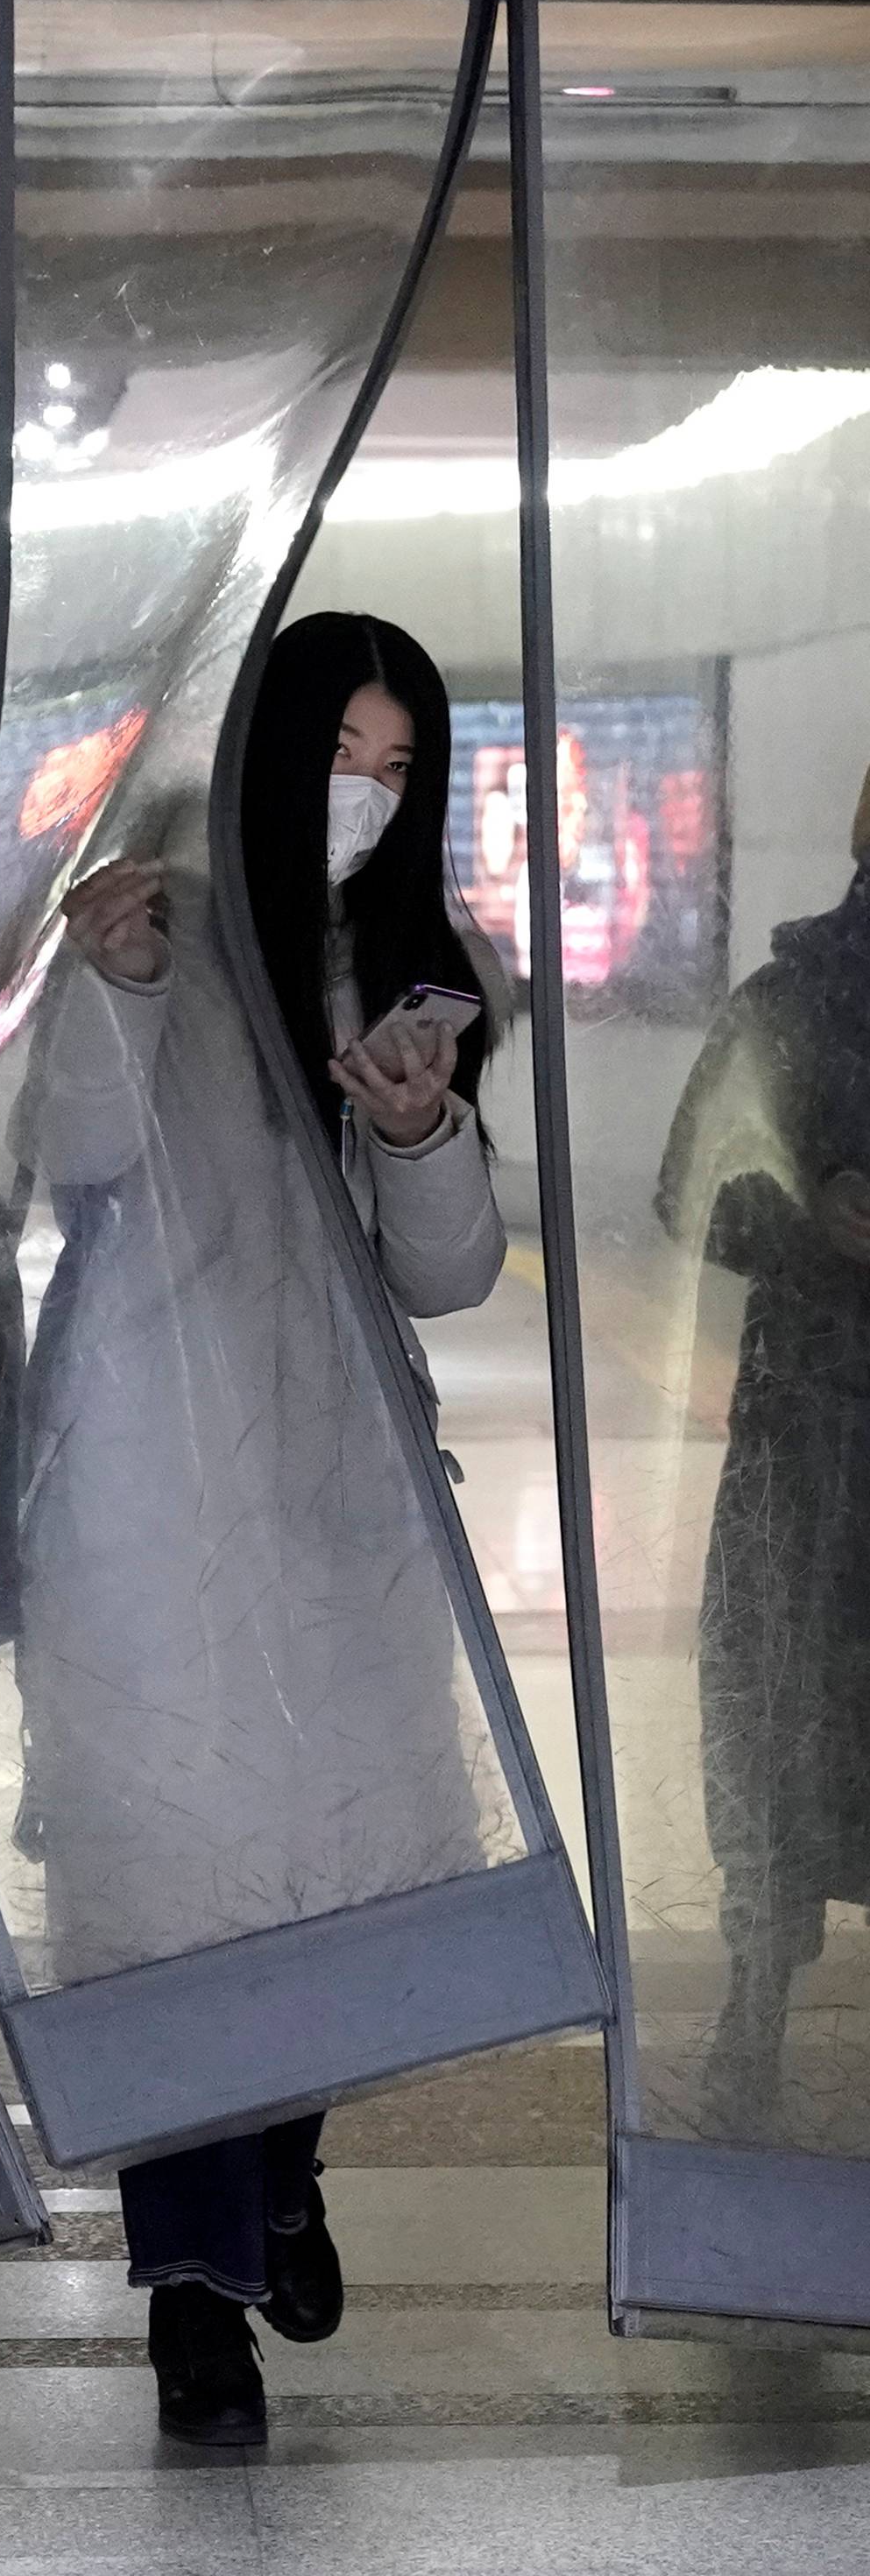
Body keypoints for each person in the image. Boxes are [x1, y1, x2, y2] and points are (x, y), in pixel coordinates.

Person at [13, 611, 506, 2448]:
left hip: (335, 1501)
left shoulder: (425, 973)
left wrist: (420, 1134)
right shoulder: (161, 931)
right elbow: (73, 1159)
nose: (366, 797)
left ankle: (282, 2172)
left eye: (396, 769)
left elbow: (444, 1280)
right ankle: (194, 2298)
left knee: (319, 1880)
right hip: (149, 1483)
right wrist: (116, 991)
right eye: (341, 756)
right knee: (166, 1893)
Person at [658, 768, 870, 2134]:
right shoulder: (793, 998)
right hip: (813, 1437)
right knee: (779, 1718)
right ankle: (752, 2010)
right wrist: (815, 1221)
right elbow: (693, 1190)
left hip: (814, 1425)